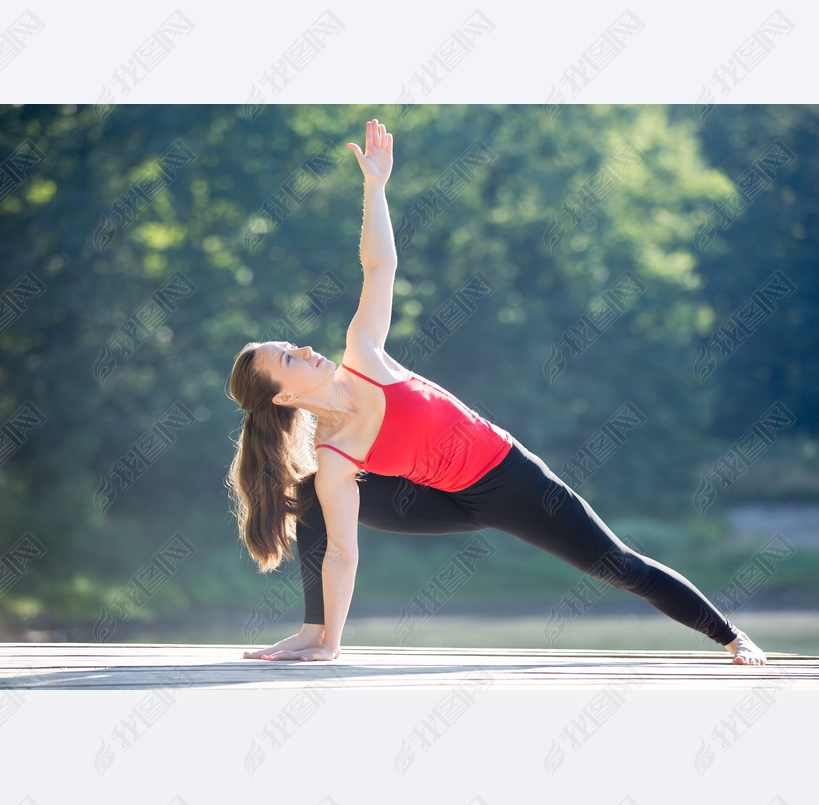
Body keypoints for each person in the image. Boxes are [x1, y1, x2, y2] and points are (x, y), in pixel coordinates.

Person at [227, 120, 767, 666]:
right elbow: (343, 553)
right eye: (289, 360)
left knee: (617, 565)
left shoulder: (362, 353)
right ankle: (315, 636)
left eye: (293, 345)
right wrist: (334, 648)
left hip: (508, 478)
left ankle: (731, 636)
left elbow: (380, 265)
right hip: (438, 500)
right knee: (313, 496)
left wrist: (375, 187)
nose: (304, 350)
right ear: (283, 399)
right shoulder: (334, 454)